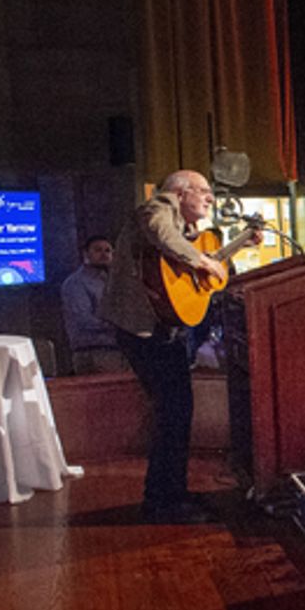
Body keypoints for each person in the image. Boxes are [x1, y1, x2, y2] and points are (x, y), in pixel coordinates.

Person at [100, 170, 230, 524]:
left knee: (177, 412)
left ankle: (173, 492)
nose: (210, 198)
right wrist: (202, 261)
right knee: (173, 413)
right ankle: (162, 501)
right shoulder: (158, 207)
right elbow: (161, 232)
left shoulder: (183, 228)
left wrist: (236, 247)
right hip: (144, 332)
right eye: (203, 191)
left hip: (162, 331)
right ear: (180, 192)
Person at [61, 235, 126, 375]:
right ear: (86, 254)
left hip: (120, 351)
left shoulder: (115, 281)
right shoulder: (76, 283)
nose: (104, 254)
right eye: (98, 250)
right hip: (93, 352)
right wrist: (120, 324)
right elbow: (84, 320)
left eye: (108, 250)